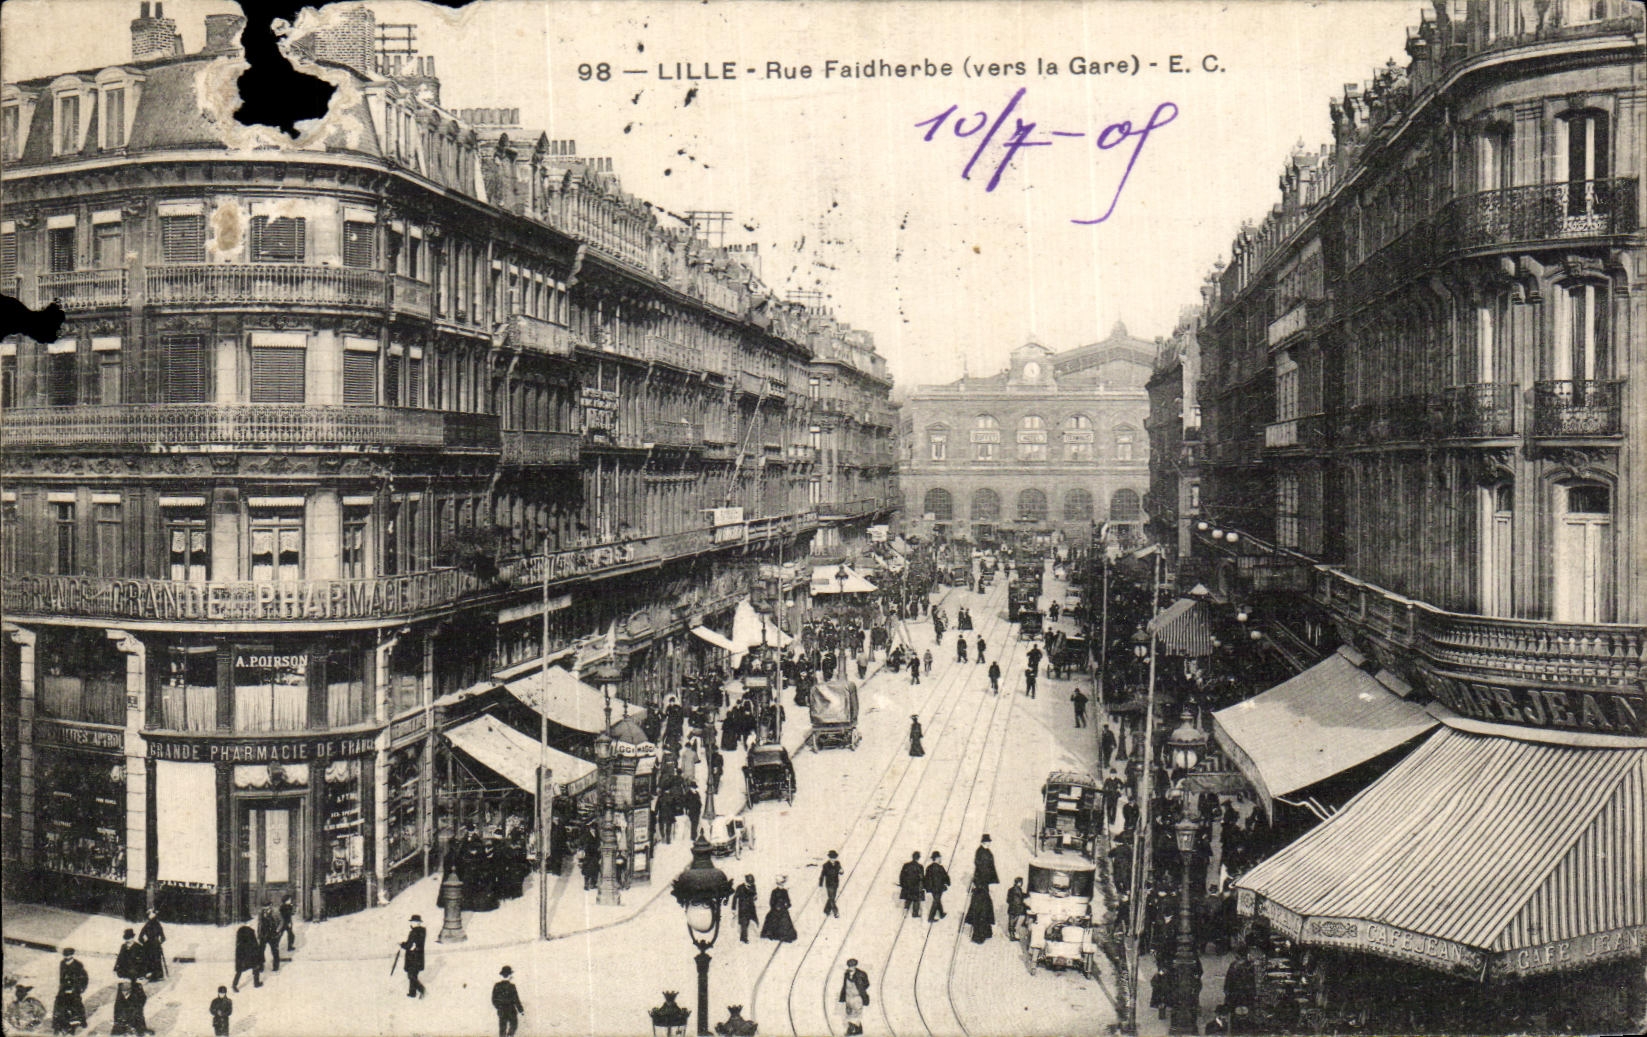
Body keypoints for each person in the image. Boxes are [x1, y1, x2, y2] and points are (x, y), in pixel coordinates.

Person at [52, 948, 89, 1034]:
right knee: (59, 1004)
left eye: (68, 956)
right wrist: (62, 987)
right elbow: (62, 977)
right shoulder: (62, 963)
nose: (66, 958)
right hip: (64, 988)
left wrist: (78, 988)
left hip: (74, 989)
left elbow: (84, 978)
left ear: (72, 955)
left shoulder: (78, 965)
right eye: (65, 956)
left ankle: (80, 1022)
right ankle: (58, 1024)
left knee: (76, 1005)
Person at [838, 959, 871, 1036]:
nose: (851, 968)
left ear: (855, 966)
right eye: (849, 966)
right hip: (848, 997)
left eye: (852, 966)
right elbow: (844, 985)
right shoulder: (846, 974)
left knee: (856, 1013)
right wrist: (843, 997)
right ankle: (856, 1029)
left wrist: (861, 990)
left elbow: (867, 984)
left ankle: (854, 1029)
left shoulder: (861, 974)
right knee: (849, 1012)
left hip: (857, 997)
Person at [761, 876, 798, 943]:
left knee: (785, 921)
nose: (781, 885)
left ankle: (785, 936)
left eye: (782, 884)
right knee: (771, 918)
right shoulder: (774, 892)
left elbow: (788, 901)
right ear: (777, 884)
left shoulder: (785, 891)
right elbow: (771, 902)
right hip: (775, 910)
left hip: (783, 910)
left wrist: (787, 906)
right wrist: (775, 907)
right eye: (780, 884)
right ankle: (771, 934)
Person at [492, 965, 526, 1037]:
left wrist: (499, 1006)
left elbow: (493, 999)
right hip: (511, 1009)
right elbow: (516, 999)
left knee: (502, 1028)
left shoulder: (497, 985)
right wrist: (521, 1010)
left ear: (502, 975)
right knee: (514, 1025)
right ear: (510, 975)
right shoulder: (512, 986)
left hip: (502, 1010)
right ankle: (510, 1035)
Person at [400, 914, 427, 998]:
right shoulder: (422, 931)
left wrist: (402, 944)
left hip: (412, 957)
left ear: (417, 922)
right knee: (414, 974)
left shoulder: (413, 932)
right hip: (419, 957)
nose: (411, 923)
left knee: (411, 975)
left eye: (412, 922)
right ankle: (412, 993)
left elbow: (409, 946)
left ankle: (422, 989)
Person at [138, 909, 166, 982]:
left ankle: (155, 975)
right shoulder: (149, 925)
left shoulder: (155, 925)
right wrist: (145, 942)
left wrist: (145, 942)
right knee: (149, 959)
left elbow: (163, 937)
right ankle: (152, 974)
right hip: (151, 946)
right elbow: (140, 937)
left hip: (153, 946)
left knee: (154, 959)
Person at [231, 925, 262, 992]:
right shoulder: (251, 940)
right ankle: (256, 983)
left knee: (239, 970)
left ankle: (234, 985)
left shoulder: (239, 942)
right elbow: (256, 948)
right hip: (250, 955)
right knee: (255, 966)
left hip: (244, 956)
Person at [924, 851, 951, 921]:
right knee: (936, 901)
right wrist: (948, 883)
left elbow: (926, 878)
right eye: (940, 858)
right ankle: (930, 918)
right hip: (939, 888)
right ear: (937, 858)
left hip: (932, 888)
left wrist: (927, 887)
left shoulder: (929, 867)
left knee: (937, 900)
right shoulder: (940, 868)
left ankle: (941, 914)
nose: (940, 859)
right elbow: (945, 876)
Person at [898, 852, 926, 918]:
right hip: (916, 886)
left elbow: (901, 875)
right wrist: (923, 886)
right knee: (916, 900)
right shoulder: (920, 866)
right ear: (918, 858)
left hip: (907, 886)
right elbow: (922, 878)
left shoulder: (906, 865)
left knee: (908, 899)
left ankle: (905, 912)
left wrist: (902, 884)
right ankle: (915, 914)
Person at [256, 899, 282, 972]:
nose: (265, 908)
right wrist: (258, 933)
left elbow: (281, 921)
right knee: (261, 951)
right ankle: (261, 965)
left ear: (270, 905)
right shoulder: (260, 912)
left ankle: (276, 966)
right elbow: (259, 923)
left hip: (272, 934)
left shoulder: (276, 912)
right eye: (264, 907)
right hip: (263, 934)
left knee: (274, 950)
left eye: (267, 906)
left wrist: (277, 930)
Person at [734, 875, 760, 942]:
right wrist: (733, 908)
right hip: (743, 909)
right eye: (749, 883)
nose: (750, 884)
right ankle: (744, 938)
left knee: (750, 922)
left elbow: (755, 895)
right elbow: (735, 898)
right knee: (744, 923)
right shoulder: (740, 887)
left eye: (751, 883)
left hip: (751, 908)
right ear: (746, 881)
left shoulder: (753, 886)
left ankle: (744, 937)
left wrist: (755, 897)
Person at [820, 850, 843, 918]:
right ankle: (835, 912)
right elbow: (822, 875)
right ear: (829, 858)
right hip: (829, 884)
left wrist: (841, 871)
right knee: (832, 898)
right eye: (832, 858)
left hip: (835, 884)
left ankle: (826, 910)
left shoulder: (838, 863)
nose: (833, 859)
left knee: (832, 898)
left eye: (834, 858)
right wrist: (820, 884)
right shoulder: (826, 865)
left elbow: (840, 871)